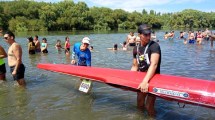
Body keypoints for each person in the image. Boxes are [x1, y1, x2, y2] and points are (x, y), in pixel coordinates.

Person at [131, 24, 161, 117]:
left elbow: (154, 64)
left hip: (153, 77)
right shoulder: (136, 48)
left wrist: (145, 81)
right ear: (139, 34)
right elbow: (135, 66)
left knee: (149, 106)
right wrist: (129, 81)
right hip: (141, 77)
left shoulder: (154, 46)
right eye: (145, 35)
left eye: (149, 34)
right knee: (139, 104)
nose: (148, 36)